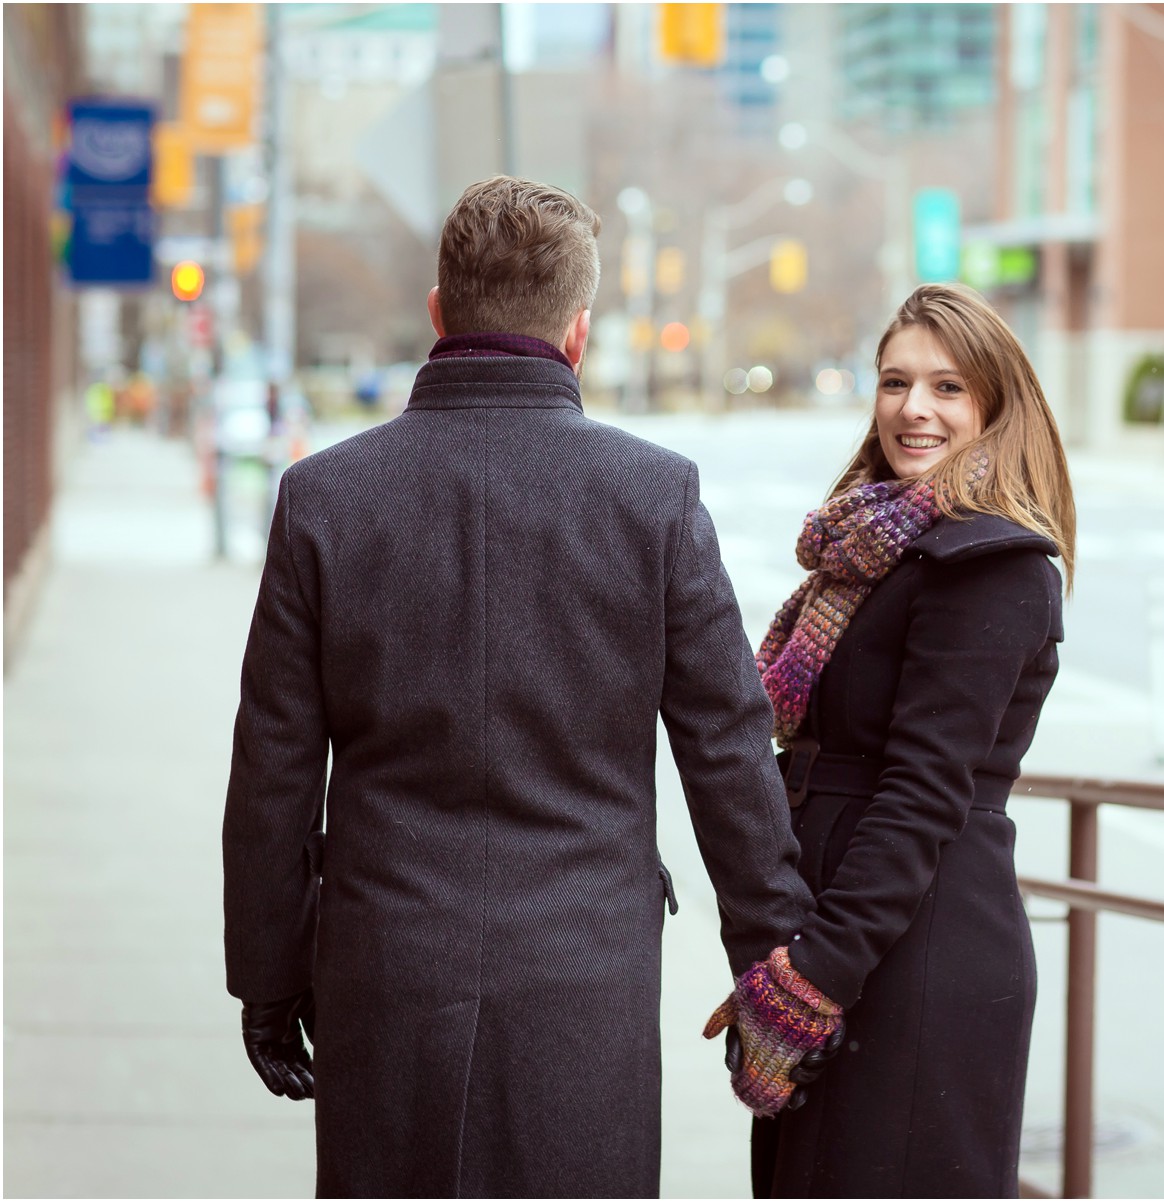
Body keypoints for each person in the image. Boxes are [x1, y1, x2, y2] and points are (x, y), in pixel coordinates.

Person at [221, 175, 840, 1198]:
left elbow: (273, 769)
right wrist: (769, 961)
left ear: (437, 313)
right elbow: (726, 750)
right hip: (583, 973)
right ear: (579, 333)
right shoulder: (655, 496)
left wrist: (268, 973)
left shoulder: (323, 499)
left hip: (385, 965)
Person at [719, 282, 1077, 1198]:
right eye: (895, 382)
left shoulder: (993, 567)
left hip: (912, 957)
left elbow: (923, 796)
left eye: (948, 387)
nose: (913, 408)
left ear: (997, 407)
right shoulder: (873, 554)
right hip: (847, 934)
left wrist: (810, 978)